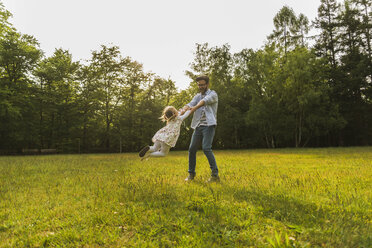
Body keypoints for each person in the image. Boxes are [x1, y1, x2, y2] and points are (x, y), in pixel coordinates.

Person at [180, 75, 219, 182]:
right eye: (199, 85)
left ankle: (215, 175)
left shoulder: (213, 94)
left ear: (207, 84)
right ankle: (191, 174)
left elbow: (204, 101)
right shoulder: (197, 96)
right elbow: (190, 104)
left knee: (206, 148)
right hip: (198, 126)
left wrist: (194, 108)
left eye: (202, 85)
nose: (200, 87)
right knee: (192, 149)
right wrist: (184, 109)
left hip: (209, 126)